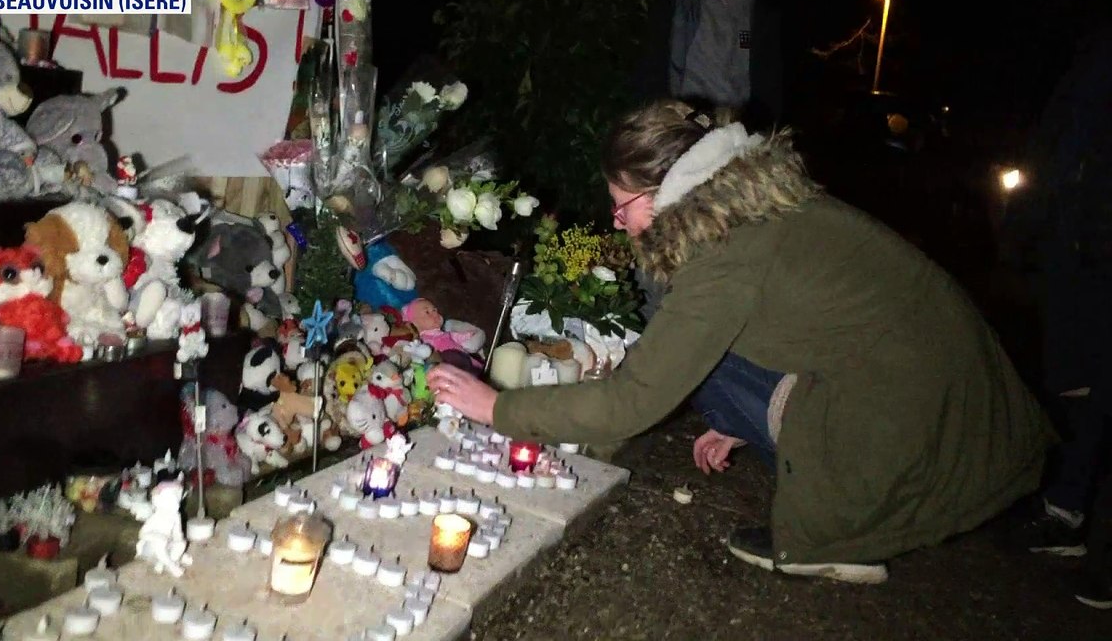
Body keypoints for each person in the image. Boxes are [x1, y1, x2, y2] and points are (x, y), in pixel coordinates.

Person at [429, 99, 1054, 585]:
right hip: (941, 399)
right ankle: (792, 435)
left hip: (921, 429)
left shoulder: (724, 252)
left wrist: (495, 407)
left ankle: (835, 541)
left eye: (624, 205)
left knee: (698, 372)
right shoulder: (747, 204)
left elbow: (634, 400)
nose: (618, 221)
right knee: (711, 377)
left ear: (669, 187)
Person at [1005, 0, 1112, 609]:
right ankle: (1069, 512)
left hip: (1100, 245)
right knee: (1087, 382)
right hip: (1083, 245)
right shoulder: (1098, 40)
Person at [630, 0, 783, 130]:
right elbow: (649, 74)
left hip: (737, 138)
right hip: (681, 133)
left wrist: (753, 133)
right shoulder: (673, 2)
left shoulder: (763, 16)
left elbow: (769, 92)